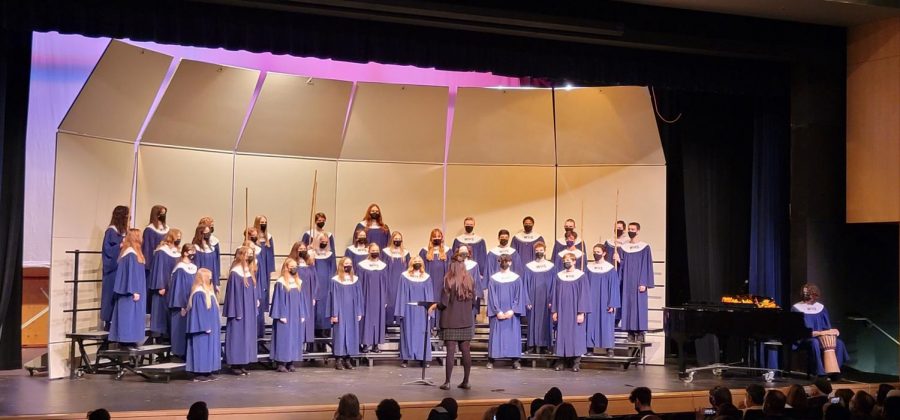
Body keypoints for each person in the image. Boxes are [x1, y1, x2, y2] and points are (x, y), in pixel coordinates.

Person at [433, 256, 475, 390]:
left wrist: (435, 306)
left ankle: (447, 382)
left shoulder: (448, 279)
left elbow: (444, 303)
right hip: (466, 321)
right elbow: (474, 302)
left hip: (450, 321)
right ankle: (466, 381)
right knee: (466, 351)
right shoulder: (470, 280)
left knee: (450, 352)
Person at [791, 283, 849, 378]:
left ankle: (834, 371)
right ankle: (820, 372)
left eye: (809, 293)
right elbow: (798, 330)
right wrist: (815, 333)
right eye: (805, 293)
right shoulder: (796, 308)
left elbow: (827, 327)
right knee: (814, 342)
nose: (806, 295)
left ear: (815, 294)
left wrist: (833, 332)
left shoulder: (821, 308)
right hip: (804, 339)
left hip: (820, 338)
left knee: (839, 343)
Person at [486, 254, 526, 370]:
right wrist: (497, 311)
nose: (504, 263)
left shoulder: (516, 278)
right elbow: (492, 296)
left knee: (512, 336)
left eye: (506, 261)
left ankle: (515, 360)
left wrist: (512, 310)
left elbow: (519, 296)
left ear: (510, 262)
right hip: (497, 313)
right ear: (499, 262)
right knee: (495, 336)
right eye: (502, 261)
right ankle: (491, 360)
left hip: (511, 314)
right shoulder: (493, 279)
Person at [223, 246, 259, 375]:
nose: (250, 256)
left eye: (251, 254)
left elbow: (253, 289)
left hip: (248, 308)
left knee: (247, 336)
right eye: (247, 254)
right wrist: (236, 311)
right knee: (238, 335)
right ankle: (234, 363)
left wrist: (256, 300)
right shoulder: (236, 272)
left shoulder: (249, 271)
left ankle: (243, 363)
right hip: (239, 310)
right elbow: (233, 294)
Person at [551, 253, 589, 372]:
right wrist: (555, 311)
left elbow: (584, 295)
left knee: (576, 335)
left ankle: (576, 362)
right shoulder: (559, 276)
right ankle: (561, 360)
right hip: (562, 310)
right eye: (564, 260)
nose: (566, 262)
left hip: (575, 311)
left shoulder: (581, 276)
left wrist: (581, 312)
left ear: (574, 261)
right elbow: (554, 295)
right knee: (562, 335)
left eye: (568, 260)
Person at [109, 229, 147, 347]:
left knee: (134, 317)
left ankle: (132, 339)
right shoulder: (130, 254)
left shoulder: (136, 253)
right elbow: (130, 275)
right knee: (128, 316)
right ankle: (126, 340)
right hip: (131, 293)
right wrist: (133, 291)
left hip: (138, 290)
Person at [394, 256, 434, 367]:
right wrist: (400, 311)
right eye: (415, 261)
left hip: (422, 311)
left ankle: (423, 358)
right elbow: (401, 294)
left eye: (419, 261)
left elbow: (429, 295)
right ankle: (406, 358)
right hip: (408, 310)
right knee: (407, 332)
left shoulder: (426, 277)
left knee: (422, 333)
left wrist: (430, 311)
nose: (417, 263)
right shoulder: (404, 276)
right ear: (411, 263)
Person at [619, 222, 654, 342]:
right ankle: (630, 331)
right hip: (628, 282)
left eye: (633, 229)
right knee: (628, 304)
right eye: (629, 229)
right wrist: (618, 260)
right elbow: (623, 266)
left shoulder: (644, 247)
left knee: (639, 306)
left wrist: (643, 282)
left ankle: (640, 332)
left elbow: (646, 265)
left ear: (638, 231)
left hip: (639, 282)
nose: (630, 231)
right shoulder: (624, 247)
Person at [270, 258, 306, 372]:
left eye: (295, 266)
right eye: (292, 266)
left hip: (295, 315)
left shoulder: (298, 282)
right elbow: (278, 300)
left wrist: (302, 313)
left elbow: (302, 300)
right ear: (287, 267)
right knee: (284, 338)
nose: (294, 268)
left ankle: (291, 361)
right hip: (285, 314)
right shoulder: (281, 282)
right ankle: (281, 363)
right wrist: (281, 314)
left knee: (294, 337)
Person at [185, 268, 221, 381]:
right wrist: (205, 326)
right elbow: (199, 311)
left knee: (209, 349)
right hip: (204, 328)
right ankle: (199, 372)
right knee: (201, 348)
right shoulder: (199, 293)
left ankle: (207, 371)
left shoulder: (208, 291)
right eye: (209, 277)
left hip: (211, 325)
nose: (211, 279)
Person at [585, 244, 620, 357]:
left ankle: (609, 348)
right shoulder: (588, 268)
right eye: (594, 251)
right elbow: (584, 285)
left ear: (604, 253)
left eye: (598, 252)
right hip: (591, 300)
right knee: (590, 323)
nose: (596, 254)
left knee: (606, 323)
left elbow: (614, 287)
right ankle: (590, 347)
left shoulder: (610, 269)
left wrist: (613, 303)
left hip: (605, 301)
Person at [329, 257, 364, 370]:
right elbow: (333, 298)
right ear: (341, 265)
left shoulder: (355, 280)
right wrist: (334, 314)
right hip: (340, 311)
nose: (348, 265)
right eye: (346, 263)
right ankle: (338, 360)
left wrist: (359, 311)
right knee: (340, 335)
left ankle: (347, 359)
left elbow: (359, 297)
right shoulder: (335, 280)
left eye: (350, 263)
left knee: (351, 334)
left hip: (352, 311)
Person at [148, 229, 182, 341]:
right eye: (177, 236)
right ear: (171, 237)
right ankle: (159, 338)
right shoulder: (162, 251)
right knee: (160, 313)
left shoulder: (177, 252)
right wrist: (160, 285)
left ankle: (168, 338)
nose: (179, 239)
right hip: (163, 288)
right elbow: (159, 269)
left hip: (173, 287)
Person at [100, 205, 129, 330]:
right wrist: (120, 245)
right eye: (127, 216)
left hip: (122, 269)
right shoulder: (111, 232)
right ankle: (109, 325)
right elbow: (108, 251)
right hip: (113, 271)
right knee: (111, 296)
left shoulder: (125, 232)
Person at [524, 241, 554, 354]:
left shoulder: (551, 267)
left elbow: (553, 285)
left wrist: (551, 300)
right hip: (533, 299)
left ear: (545, 251)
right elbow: (525, 284)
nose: (539, 252)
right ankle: (531, 346)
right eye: (537, 251)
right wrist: (527, 300)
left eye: (541, 250)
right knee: (532, 322)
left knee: (546, 322)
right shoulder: (529, 267)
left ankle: (545, 347)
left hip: (546, 300)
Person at [167, 244, 197, 359]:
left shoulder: (194, 268)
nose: (193, 253)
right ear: (185, 253)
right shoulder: (180, 268)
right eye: (191, 251)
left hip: (190, 303)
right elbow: (178, 288)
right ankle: (179, 353)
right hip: (181, 305)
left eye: (194, 251)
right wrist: (181, 306)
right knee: (179, 328)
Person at [358, 243, 389, 353]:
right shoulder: (362, 265)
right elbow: (359, 283)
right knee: (367, 319)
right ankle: (365, 343)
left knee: (377, 319)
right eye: (373, 250)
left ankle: (376, 344)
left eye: (377, 250)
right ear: (368, 251)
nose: (375, 252)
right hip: (366, 296)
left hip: (379, 297)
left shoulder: (383, 266)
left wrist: (385, 298)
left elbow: (386, 283)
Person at [288, 241, 317, 353]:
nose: (302, 251)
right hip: (296, 294)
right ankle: (295, 344)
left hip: (308, 295)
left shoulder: (309, 264)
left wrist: (314, 295)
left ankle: (305, 345)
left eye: (304, 248)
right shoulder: (292, 264)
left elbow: (315, 281)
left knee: (307, 320)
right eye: (300, 249)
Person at [421, 228, 452, 328]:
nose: (437, 238)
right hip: (429, 282)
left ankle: (440, 326)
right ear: (431, 238)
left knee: (440, 301)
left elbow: (450, 268)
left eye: (439, 236)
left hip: (441, 283)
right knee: (430, 300)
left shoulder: (447, 251)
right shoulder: (424, 252)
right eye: (435, 236)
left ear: (442, 238)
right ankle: (429, 326)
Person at [312, 232, 336, 349]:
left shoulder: (330, 255)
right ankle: (312, 346)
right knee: (316, 313)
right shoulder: (312, 254)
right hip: (316, 287)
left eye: (326, 241)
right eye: (321, 240)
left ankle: (324, 344)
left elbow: (333, 270)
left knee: (325, 313)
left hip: (327, 287)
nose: (324, 243)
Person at [383, 231, 410, 326]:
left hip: (402, 281)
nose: (397, 241)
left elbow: (409, 269)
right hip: (390, 280)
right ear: (392, 240)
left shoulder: (406, 253)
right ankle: (388, 322)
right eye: (395, 239)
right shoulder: (386, 252)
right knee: (391, 300)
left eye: (399, 239)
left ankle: (399, 321)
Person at [142, 205, 169, 287]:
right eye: (161, 213)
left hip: (164, 261)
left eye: (164, 213)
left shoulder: (167, 229)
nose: (163, 215)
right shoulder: (149, 230)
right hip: (153, 263)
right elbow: (147, 248)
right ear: (156, 214)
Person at [192, 224, 220, 293]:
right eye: (206, 232)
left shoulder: (212, 249)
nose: (208, 234)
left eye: (208, 232)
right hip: (201, 281)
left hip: (211, 280)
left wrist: (216, 283)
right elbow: (196, 266)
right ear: (201, 233)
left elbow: (214, 267)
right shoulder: (196, 248)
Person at [197, 217, 221, 289]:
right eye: (210, 225)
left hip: (212, 269)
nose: (212, 227)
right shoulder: (197, 243)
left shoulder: (214, 241)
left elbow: (217, 260)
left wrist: (217, 276)